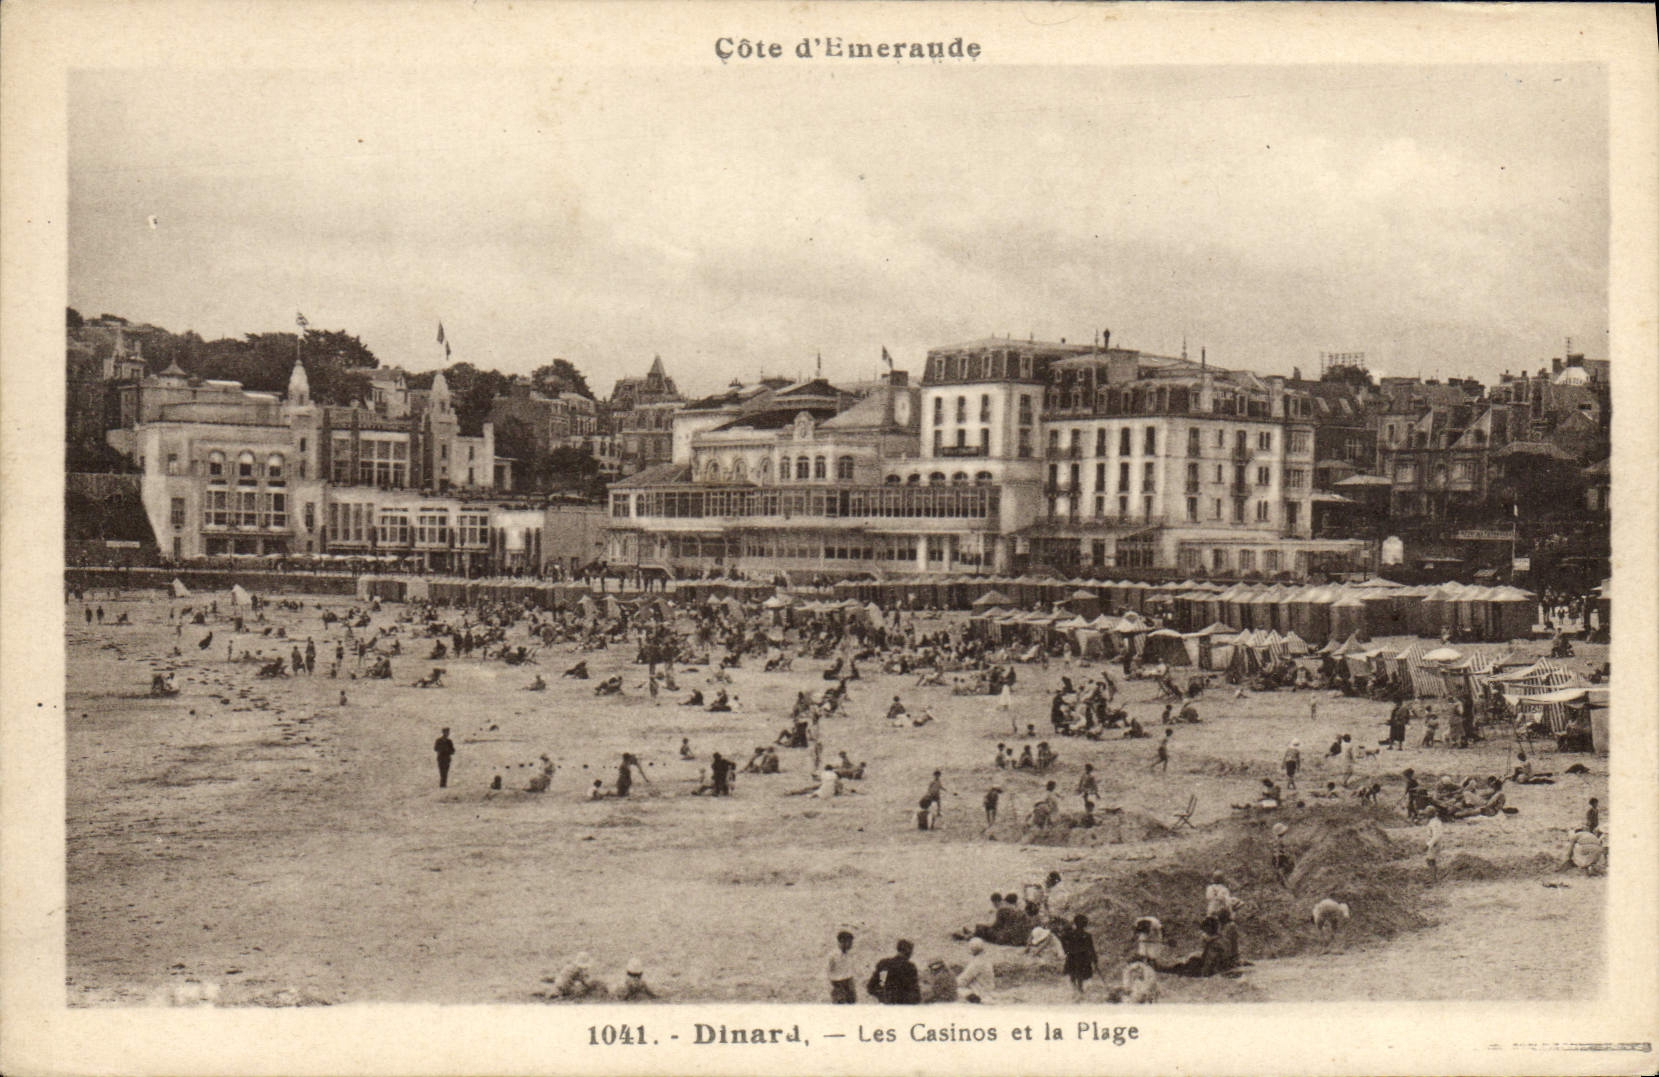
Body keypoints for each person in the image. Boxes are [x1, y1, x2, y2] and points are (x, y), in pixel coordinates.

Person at [867, 940, 920, 1004]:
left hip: (887, 1006)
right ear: (909, 952)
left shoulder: (885, 964)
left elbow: (874, 986)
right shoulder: (910, 967)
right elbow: (915, 992)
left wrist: (882, 996)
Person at [1059, 914, 1098, 1000]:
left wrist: (1067, 950)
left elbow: (1062, 940)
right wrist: (1094, 960)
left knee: (1073, 975)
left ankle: (1076, 991)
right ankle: (1079, 991)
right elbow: (1091, 949)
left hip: (1072, 956)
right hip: (1083, 958)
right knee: (1080, 976)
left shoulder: (1070, 934)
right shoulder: (1087, 935)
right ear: (1085, 924)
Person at [957, 937, 995, 1003]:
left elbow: (963, 980)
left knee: (957, 991)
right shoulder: (987, 960)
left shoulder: (976, 963)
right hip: (988, 992)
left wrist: (951, 982)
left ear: (972, 949)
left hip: (979, 994)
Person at [827, 930, 858, 1003]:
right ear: (842, 942)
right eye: (849, 942)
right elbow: (828, 972)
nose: (851, 945)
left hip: (849, 983)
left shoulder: (849, 954)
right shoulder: (832, 956)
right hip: (838, 985)